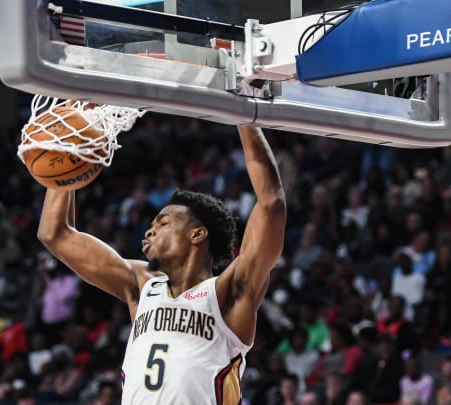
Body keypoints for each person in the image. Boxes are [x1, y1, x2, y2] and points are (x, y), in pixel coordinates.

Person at [37, 125, 286, 404]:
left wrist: (245, 117)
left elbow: (271, 204)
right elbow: (54, 233)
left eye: (163, 223)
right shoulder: (143, 286)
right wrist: (67, 148)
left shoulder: (228, 293)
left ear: (197, 234)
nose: (149, 231)